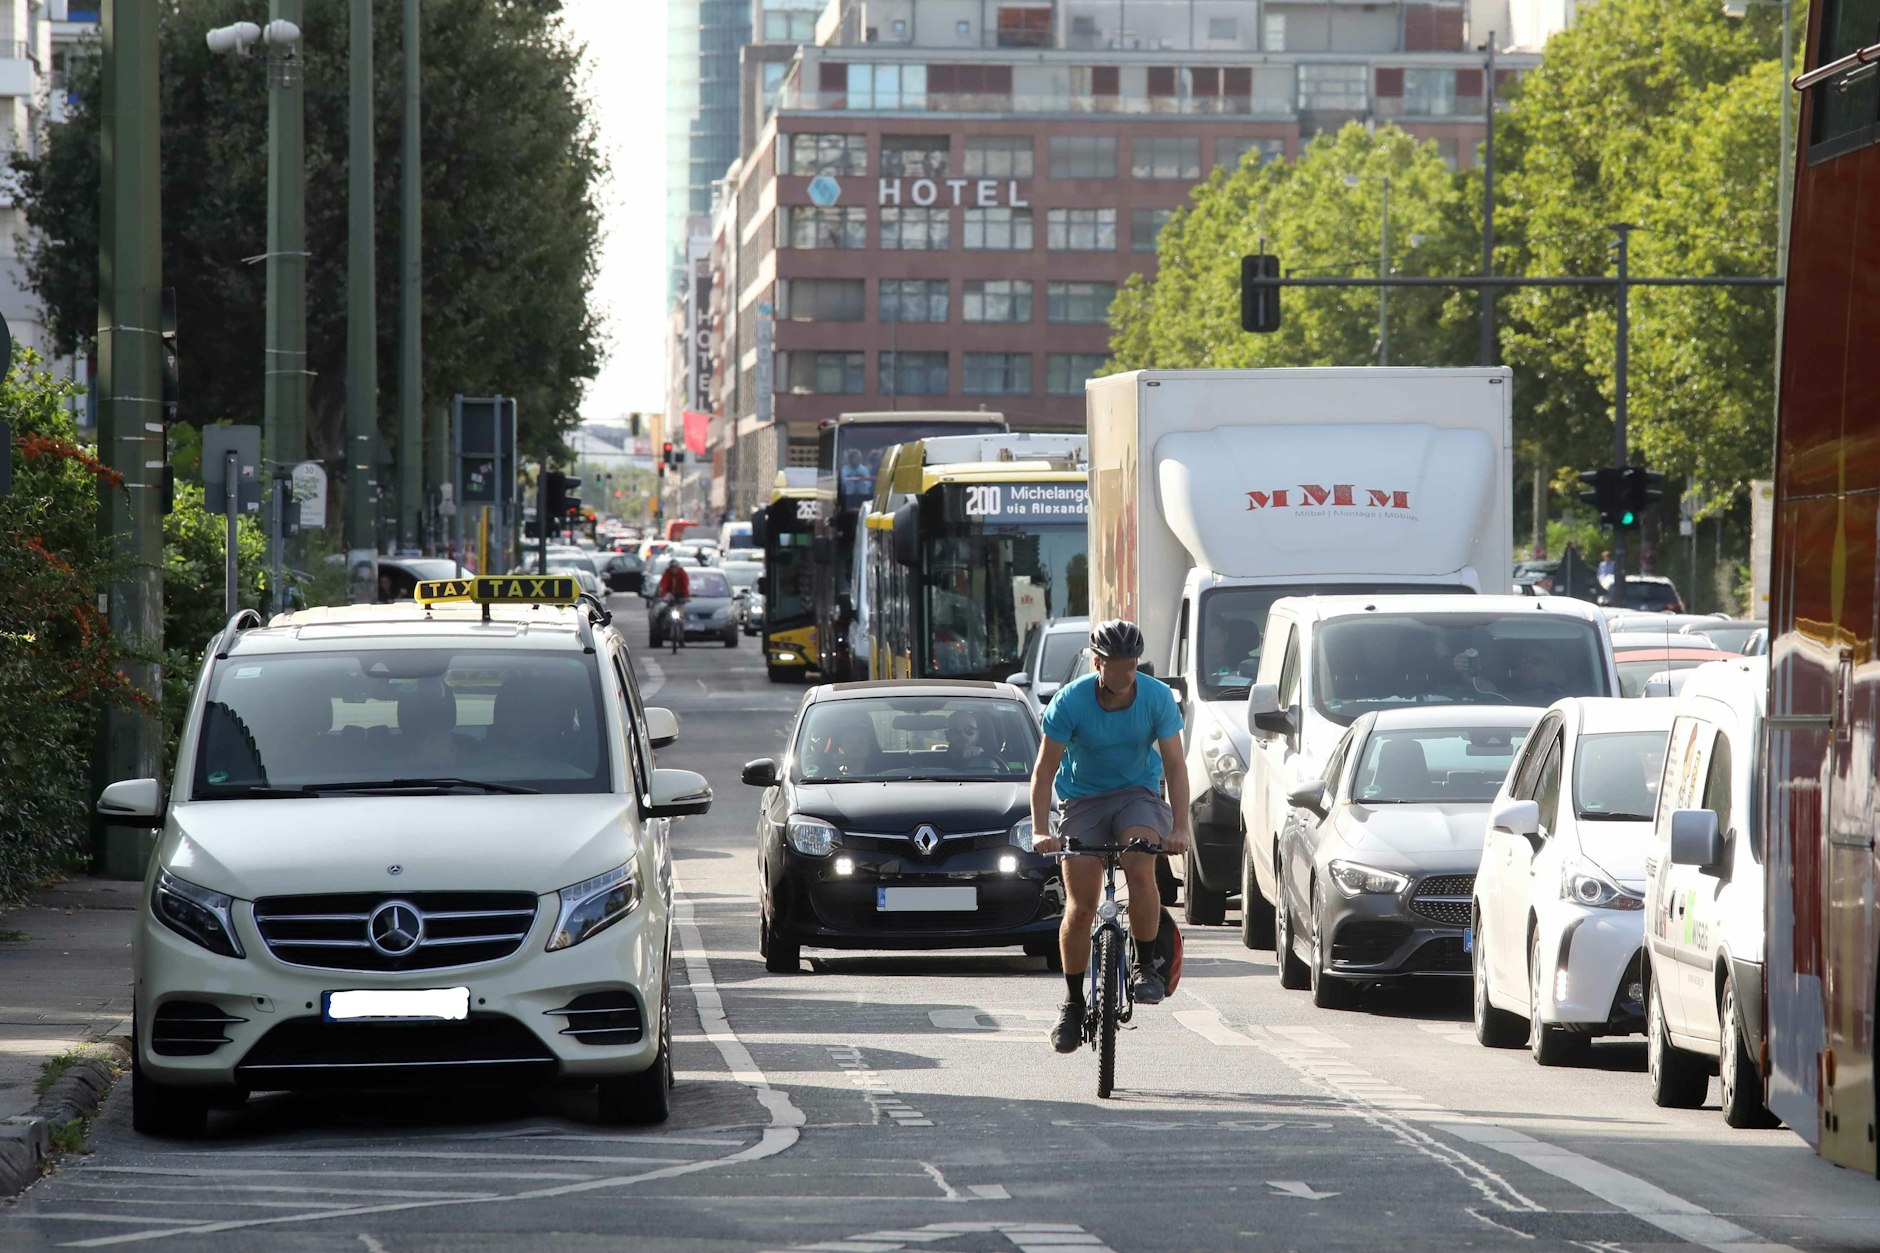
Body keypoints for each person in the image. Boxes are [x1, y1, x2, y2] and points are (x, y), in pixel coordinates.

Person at [1030, 619, 1191, 1054]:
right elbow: (1044, 771)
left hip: (1137, 794)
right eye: (1115, 664)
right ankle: (1072, 1003)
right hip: (1082, 802)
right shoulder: (1071, 702)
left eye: (1131, 664)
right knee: (1080, 906)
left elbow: (1175, 766)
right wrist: (1042, 829)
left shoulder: (1156, 697)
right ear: (1097, 662)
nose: (1124, 674)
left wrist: (1179, 827)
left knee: (1141, 863)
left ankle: (1145, 967)